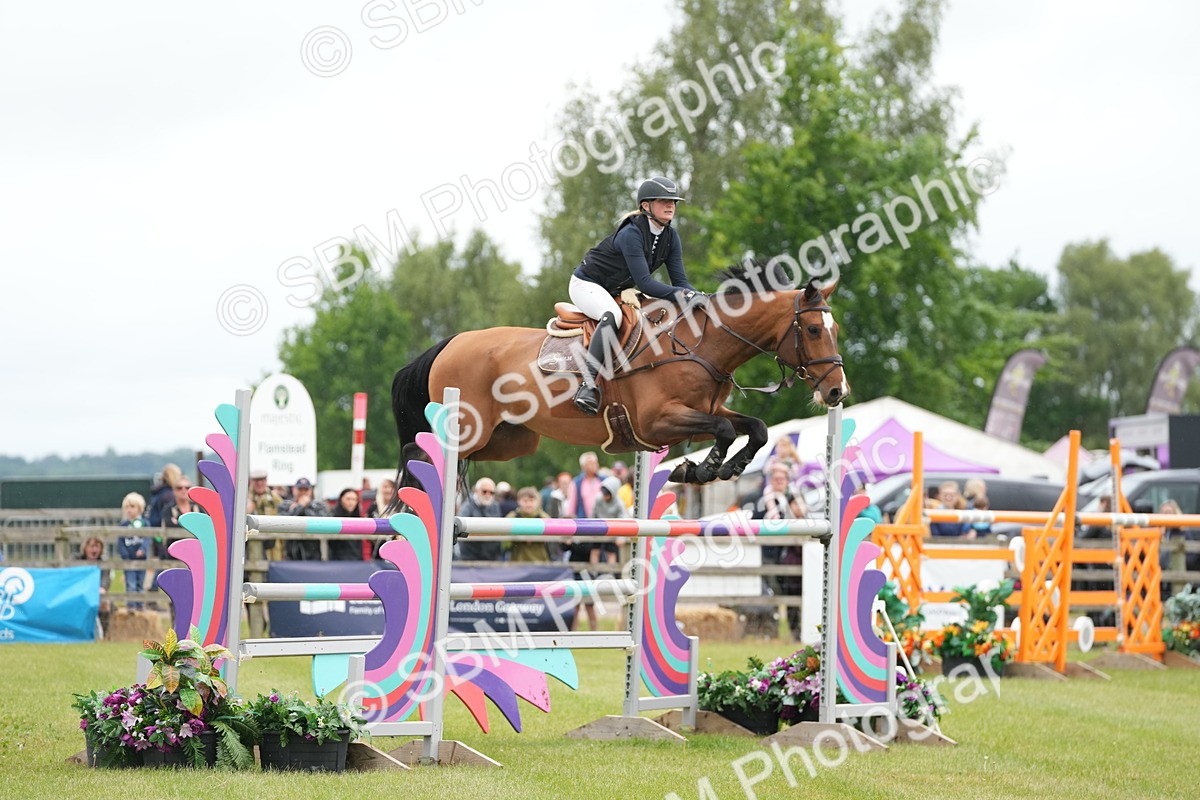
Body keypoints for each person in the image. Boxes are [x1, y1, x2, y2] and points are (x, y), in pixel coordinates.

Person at [569, 176, 701, 414]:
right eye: (664, 201)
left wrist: (700, 297)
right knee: (611, 316)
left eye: (673, 201)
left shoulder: (671, 237)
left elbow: (680, 282)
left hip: (616, 289)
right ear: (646, 205)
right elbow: (646, 283)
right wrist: (685, 295)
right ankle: (587, 385)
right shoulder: (632, 233)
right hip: (586, 283)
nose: (671, 205)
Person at [752, 463, 805, 639]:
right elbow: (755, 523)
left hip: (791, 556)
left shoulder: (794, 497)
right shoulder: (762, 499)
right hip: (769, 554)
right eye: (776, 479)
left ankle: (795, 632)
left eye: (782, 479)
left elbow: (804, 516)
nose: (779, 482)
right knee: (771, 593)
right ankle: (771, 632)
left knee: (793, 596)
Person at [457, 477, 504, 561]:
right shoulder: (467, 506)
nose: (488, 495)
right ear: (476, 491)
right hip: (469, 556)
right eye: (484, 491)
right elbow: (460, 528)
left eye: (491, 492)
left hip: (492, 556)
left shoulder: (496, 506)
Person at [281, 478, 327, 560]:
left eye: (305, 490)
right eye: (300, 490)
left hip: (313, 554)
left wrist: (302, 507)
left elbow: (320, 523)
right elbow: (284, 523)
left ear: (311, 491)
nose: (303, 493)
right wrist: (299, 507)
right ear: (294, 490)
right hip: (291, 554)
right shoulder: (285, 505)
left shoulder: (319, 505)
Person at [117, 492, 148, 610]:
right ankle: (131, 608)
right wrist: (124, 554)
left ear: (139, 508)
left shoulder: (145, 523)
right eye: (127, 507)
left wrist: (142, 549)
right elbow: (120, 541)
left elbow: (147, 539)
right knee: (130, 584)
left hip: (141, 559)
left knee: (140, 583)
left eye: (132, 507)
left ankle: (140, 607)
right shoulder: (123, 525)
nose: (129, 510)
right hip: (128, 560)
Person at [506, 487, 553, 563]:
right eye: (525, 501)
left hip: (540, 561)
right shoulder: (513, 516)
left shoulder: (544, 517)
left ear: (537, 502)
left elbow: (552, 535)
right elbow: (505, 540)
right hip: (518, 562)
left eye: (531, 501)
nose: (528, 504)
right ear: (518, 501)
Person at [79, 535, 112, 635]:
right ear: (85, 548)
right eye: (92, 546)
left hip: (96, 593)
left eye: (97, 547)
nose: (94, 550)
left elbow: (106, 579)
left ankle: (103, 634)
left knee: (105, 603)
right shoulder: (76, 560)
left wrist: (102, 588)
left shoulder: (104, 563)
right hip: (80, 592)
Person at [330, 488, 366, 561]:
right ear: (341, 499)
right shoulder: (333, 516)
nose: (351, 502)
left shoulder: (359, 518)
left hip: (357, 559)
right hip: (338, 559)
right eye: (348, 499)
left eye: (354, 499)